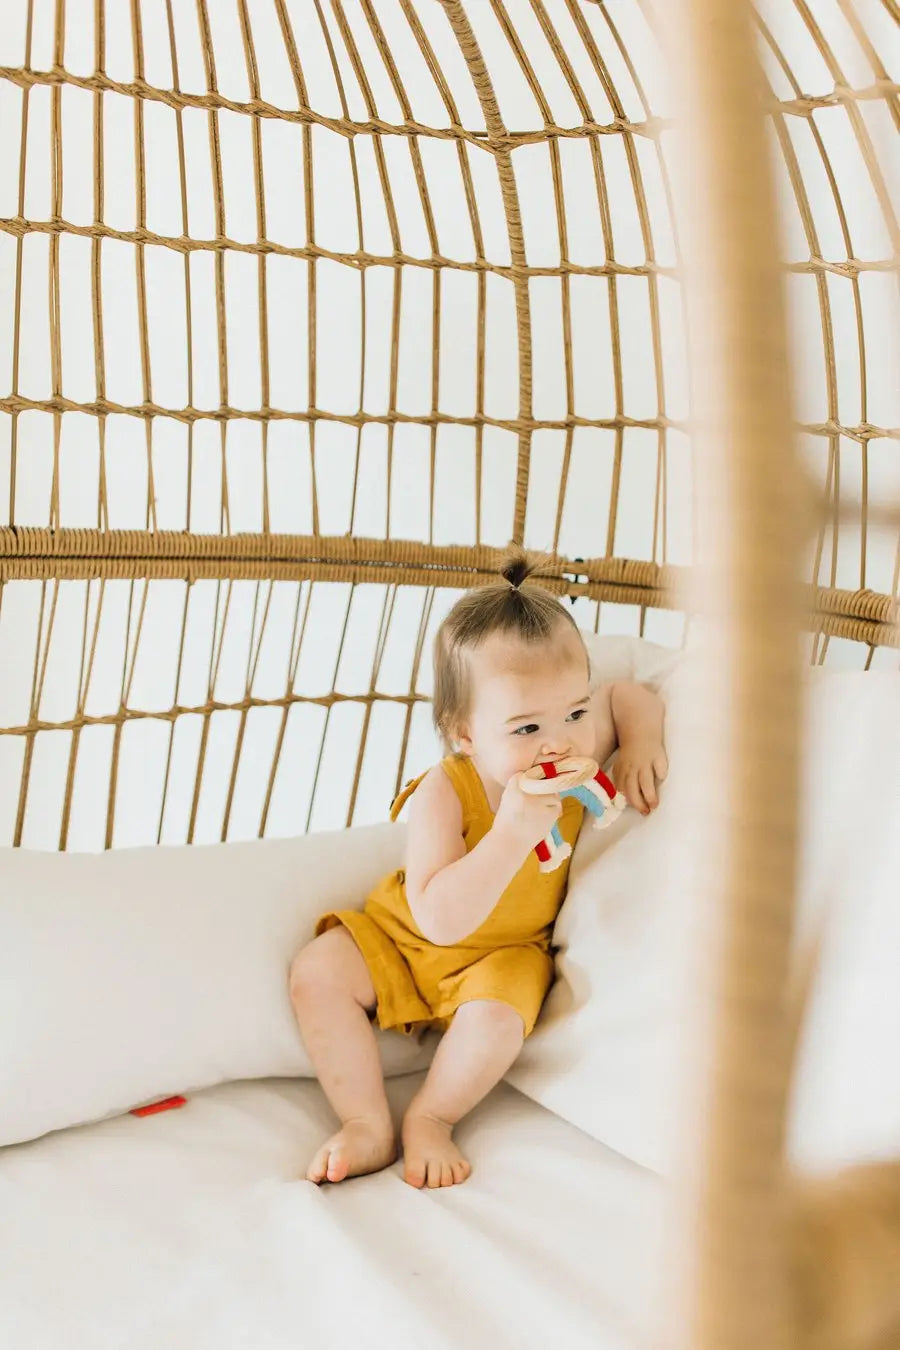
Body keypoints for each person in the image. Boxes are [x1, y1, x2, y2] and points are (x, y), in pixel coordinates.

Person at [289, 550, 667, 1189]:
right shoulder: (446, 789)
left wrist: (641, 741)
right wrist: (514, 832)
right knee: (317, 971)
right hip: (413, 936)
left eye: (573, 713)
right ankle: (366, 1122)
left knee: (497, 1019)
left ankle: (432, 1117)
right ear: (464, 733)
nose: (561, 744)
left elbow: (628, 695)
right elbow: (439, 918)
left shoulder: (573, 739)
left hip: (506, 951)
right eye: (526, 727)